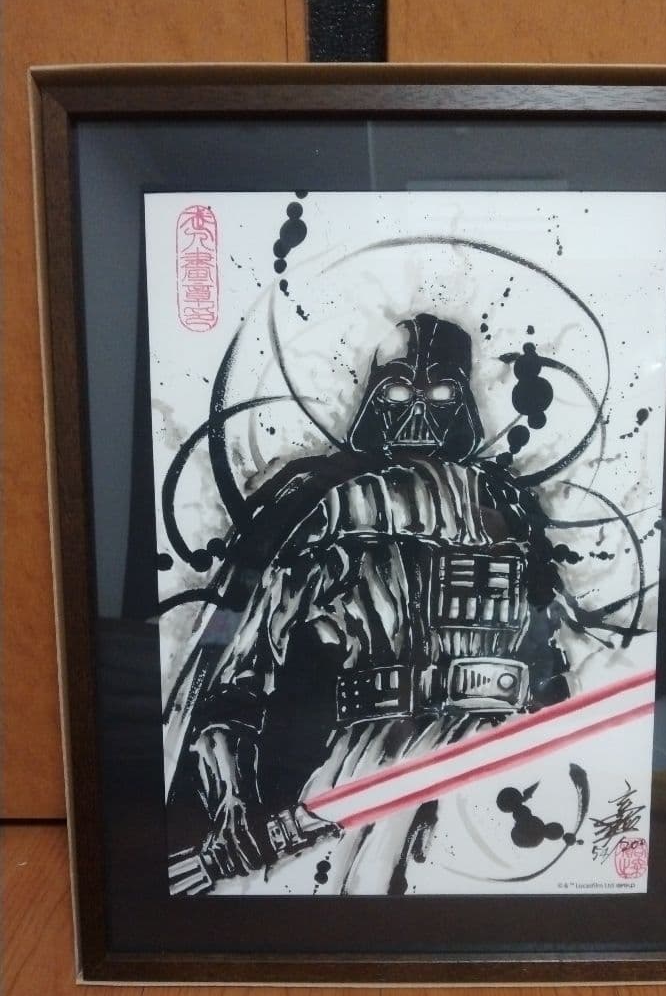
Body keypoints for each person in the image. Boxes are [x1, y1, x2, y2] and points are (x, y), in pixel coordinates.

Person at [166, 314, 570, 895]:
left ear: (462, 402)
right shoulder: (334, 509)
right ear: (375, 399)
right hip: (367, 770)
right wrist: (231, 799)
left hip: (498, 769)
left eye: (440, 394)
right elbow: (238, 670)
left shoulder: (505, 506)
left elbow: (549, 663)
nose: (417, 414)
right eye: (399, 393)